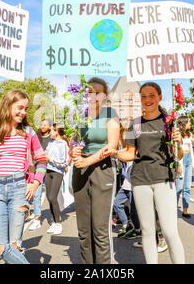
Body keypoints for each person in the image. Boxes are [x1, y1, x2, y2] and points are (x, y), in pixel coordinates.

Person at [103, 82, 185, 264]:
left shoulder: (169, 122)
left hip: (164, 179)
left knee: (170, 230)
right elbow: (130, 154)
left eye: (152, 95)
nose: (147, 100)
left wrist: (179, 144)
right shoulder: (135, 124)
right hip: (140, 181)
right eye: (144, 96)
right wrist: (115, 152)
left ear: (160, 97)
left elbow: (177, 155)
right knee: (148, 232)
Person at [0, 90, 47, 264]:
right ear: (8, 106)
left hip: (19, 190)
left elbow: (42, 160)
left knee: (15, 246)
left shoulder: (29, 132)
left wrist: (36, 182)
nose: (23, 112)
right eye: (20, 108)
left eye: (26, 109)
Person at [70, 77, 120, 264]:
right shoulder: (77, 115)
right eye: (90, 92)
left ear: (104, 95)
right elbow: (72, 144)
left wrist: (88, 161)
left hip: (102, 169)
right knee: (84, 230)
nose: (93, 95)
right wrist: (72, 151)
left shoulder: (110, 113)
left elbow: (112, 145)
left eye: (97, 92)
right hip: (80, 172)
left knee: (100, 229)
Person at [44, 123, 70, 235]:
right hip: (48, 171)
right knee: (49, 198)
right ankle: (54, 222)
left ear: (57, 132)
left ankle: (58, 223)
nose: (49, 132)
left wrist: (50, 159)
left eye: (51, 131)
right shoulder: (50, 143)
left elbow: (64, 162)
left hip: (57, 173)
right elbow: (45, 155)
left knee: (52, 197)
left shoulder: (63, 144)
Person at [29, 119, 53, 231]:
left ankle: (54, 218)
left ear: (49, 127)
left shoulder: (52, 138)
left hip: (50, 169)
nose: (42, 126)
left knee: (50, 196)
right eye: (41, 124)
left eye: (45, 125)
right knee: (37, 194)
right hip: (38, 168)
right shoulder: (36, 136)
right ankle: (37, 219)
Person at [176, 115, 194, 219]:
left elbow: (191, 150)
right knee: (178, 188)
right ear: (183, 124)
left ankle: (185, 210)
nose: (190, 124)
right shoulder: (177, 135)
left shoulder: (189, 135)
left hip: (188, 161)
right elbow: (176, 152)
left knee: (187, 187)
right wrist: (178, 164)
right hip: (181, 160)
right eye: (188, 122)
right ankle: (173, 210)